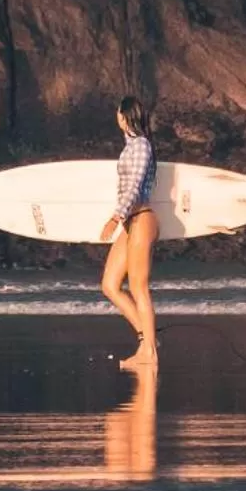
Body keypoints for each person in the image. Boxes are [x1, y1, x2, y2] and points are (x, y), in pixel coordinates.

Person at [98, 96, 159, 370]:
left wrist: (115, 218)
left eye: (118, 113)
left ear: (124, 116)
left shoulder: (141, 146)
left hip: (141, 220)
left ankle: (149, 353)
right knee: (109, 285)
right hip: (131, 222)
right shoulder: (131, 146)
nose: (116, 117)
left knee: (138, 287)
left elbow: (134, 187)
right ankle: (147, 341)